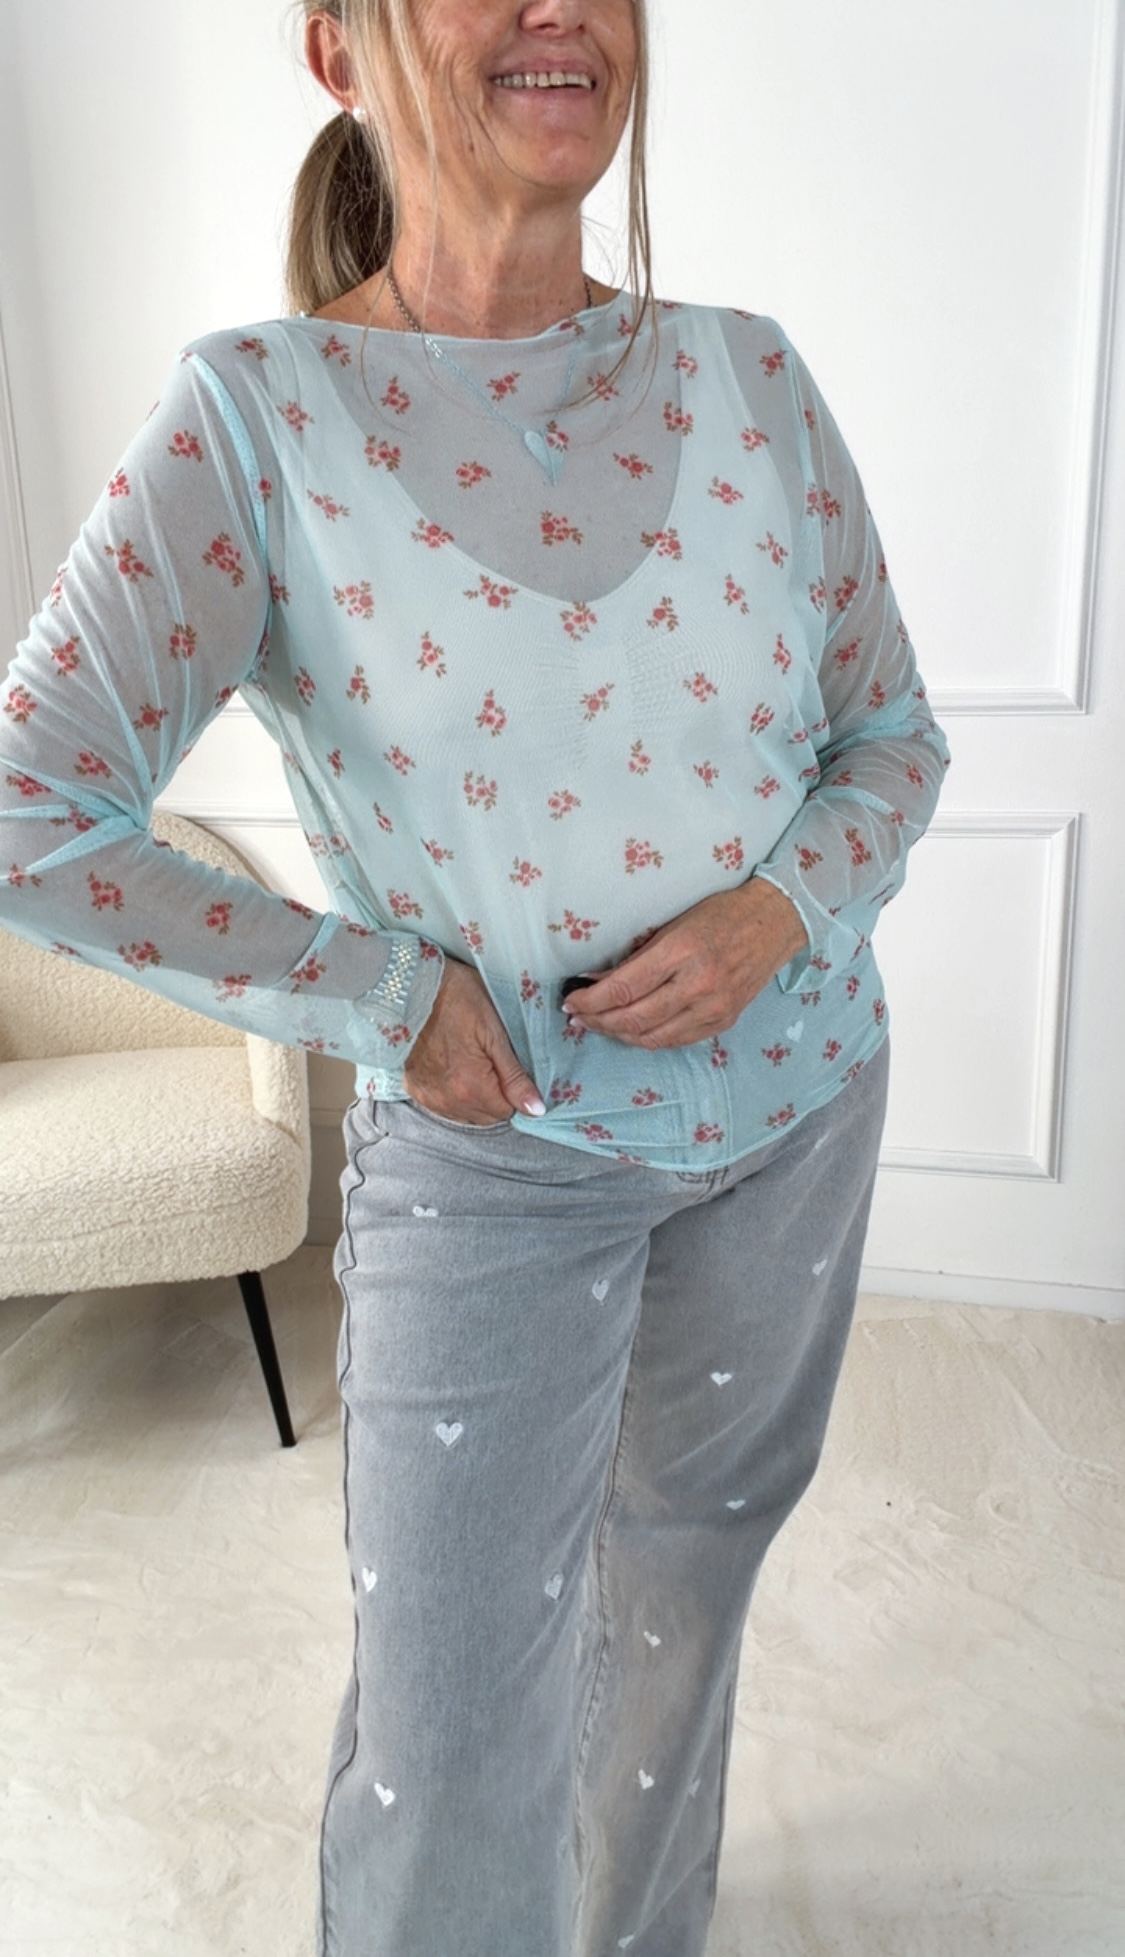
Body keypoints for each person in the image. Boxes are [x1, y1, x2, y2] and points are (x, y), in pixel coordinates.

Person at [0, 1, 949, 1950]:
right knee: (449, 1738)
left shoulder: (748, 376)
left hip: (796, 1121)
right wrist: (380, 996)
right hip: (496, 1169)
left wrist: (774, 914)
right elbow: (30, 809)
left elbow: (890, 745)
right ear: (338, 51)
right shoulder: (260, 420)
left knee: (680, 1594)